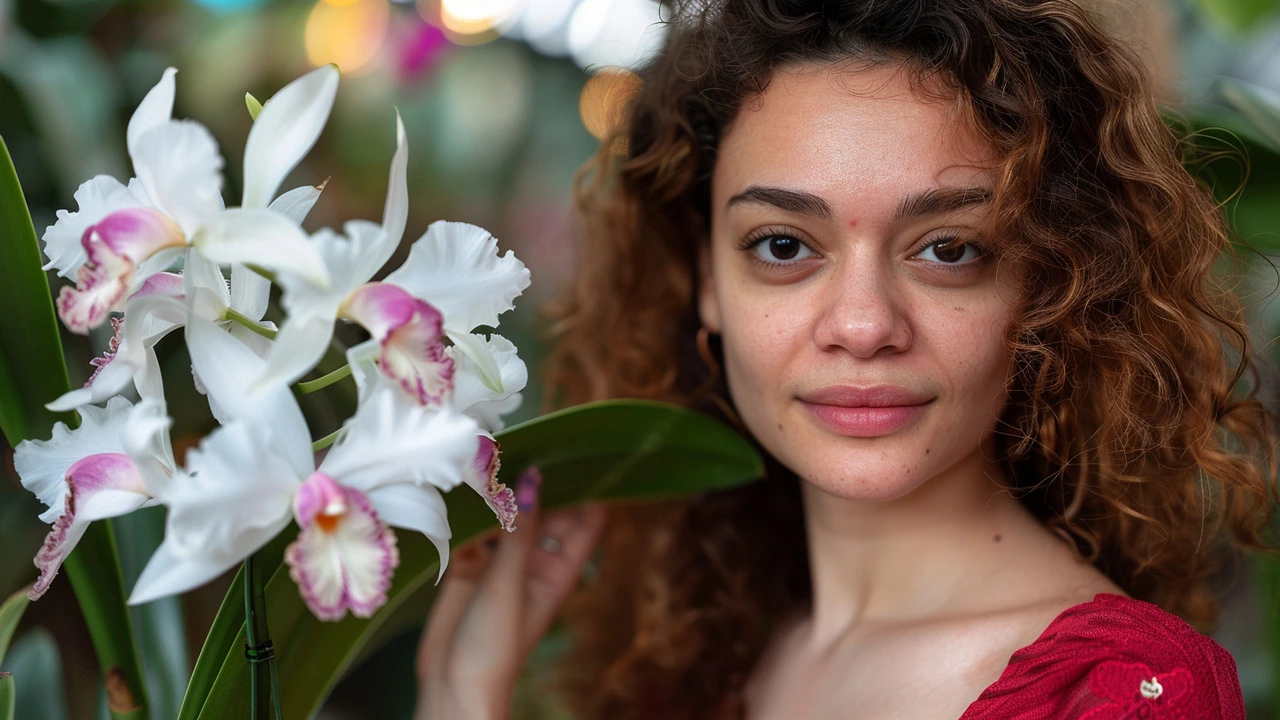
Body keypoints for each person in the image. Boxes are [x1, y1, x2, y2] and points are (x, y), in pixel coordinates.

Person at [415, 0, 1278, 717]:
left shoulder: (1118, 694)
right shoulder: (713, 668)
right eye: (785, 244)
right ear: (703, 280)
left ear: (1044, 286)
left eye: (948, 249)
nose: (864, 326)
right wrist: (465, 701)